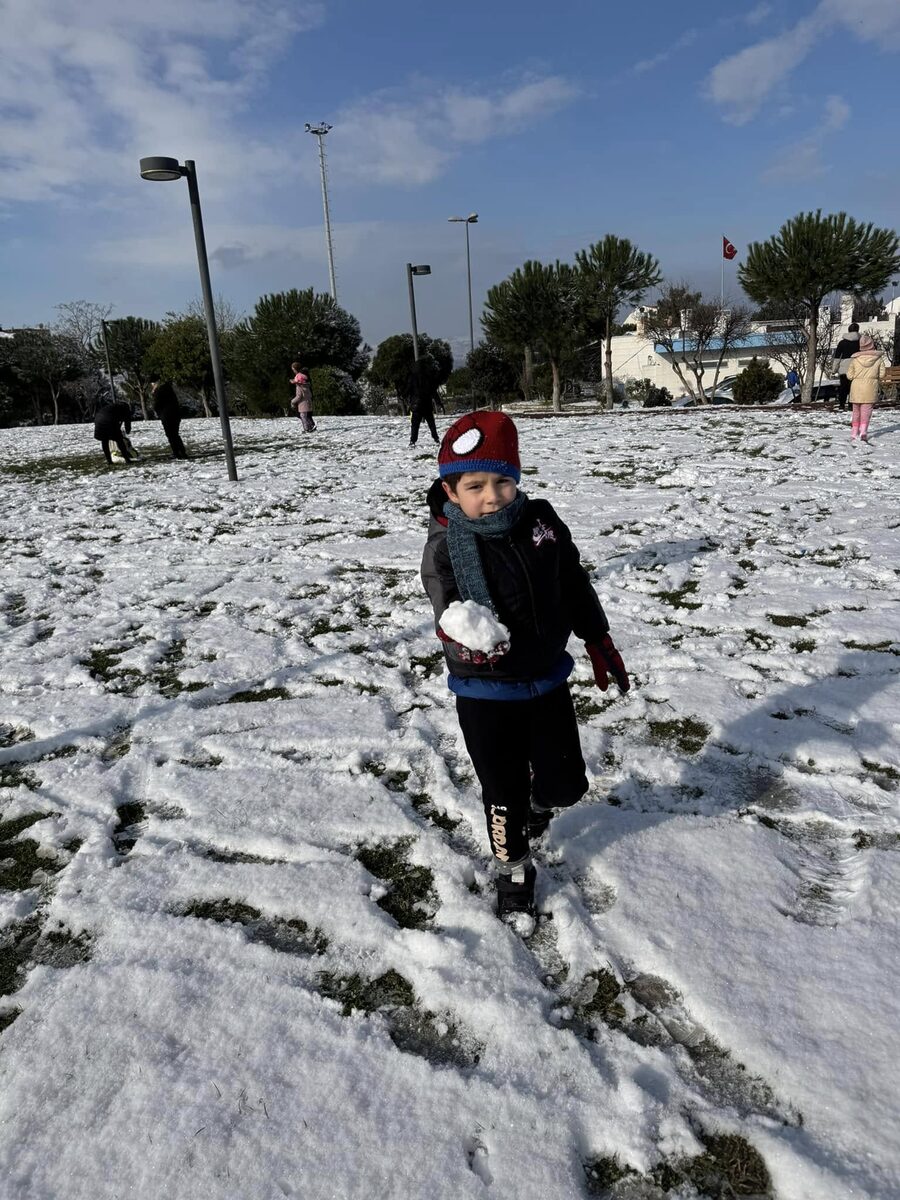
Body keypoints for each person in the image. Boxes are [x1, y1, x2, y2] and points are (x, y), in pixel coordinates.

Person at [420, 411, 630, 921]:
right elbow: (450, 610)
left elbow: (571, 581)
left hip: (546, 680)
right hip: (485, 692)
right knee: (503, 791)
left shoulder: (541, 522)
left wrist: (596, 636)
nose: (491, 496)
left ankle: (539, 807)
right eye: (475, 485)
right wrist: (467, 636)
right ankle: (513, 865)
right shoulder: (447, 548)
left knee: (566, 784)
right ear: (451, 490)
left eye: (503, 482)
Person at [846, 334, 886, 445]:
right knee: (866, 412)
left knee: (856, 412)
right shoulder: (878, 359)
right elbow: (882, 374)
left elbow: (849, 375)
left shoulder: (855, 359)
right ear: (872, 345)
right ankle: (863, 432)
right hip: (870, 388)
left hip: (856, 388)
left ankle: (854, 433)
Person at [149, 378, 188, 459]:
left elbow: (157, 404)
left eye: (152, 384)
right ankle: (182, 452)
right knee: (175, 434)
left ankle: (176, 453)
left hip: (166, 416)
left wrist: (154, 393)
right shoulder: (169, 388)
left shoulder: (159, 391)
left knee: (170, 435)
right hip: (176, 415)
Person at [93, 400, 134, 466]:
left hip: (98, 420)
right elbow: (127, 424)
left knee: (104, 441)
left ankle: (109, 461)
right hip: (109, 421)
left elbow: (117, 420)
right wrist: (127, 431)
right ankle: (127, 460)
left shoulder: (113, 407)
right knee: (119, 440)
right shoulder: (125, 409)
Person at [408, 364, 439, 447]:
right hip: (427, 404)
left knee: (415, 425)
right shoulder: (428, 377)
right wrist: (438, 402)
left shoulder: (412, 377)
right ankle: (436, 438)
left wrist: (410, 401)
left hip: (416, 405)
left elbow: (408, 390)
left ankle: (412, 441)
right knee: (431, 423)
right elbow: (433, 391)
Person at [833, 323, 861, 411]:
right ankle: (851, 404)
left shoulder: (842, 342)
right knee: (854, 387)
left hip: (844, 367)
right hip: (857, 366)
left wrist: (834, 369)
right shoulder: (861, 341)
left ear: (848, 330)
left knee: (843, 387)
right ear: (857, 330)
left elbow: (837, 357)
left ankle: (841, 404)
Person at [290, 362, 316, 432]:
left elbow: (299, 396)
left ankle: (307, 429)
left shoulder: (299, 386)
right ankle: (312, 426)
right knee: (307, 416)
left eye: (293, 369)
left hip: (302, 403)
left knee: (303, 416)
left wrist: (292, 401)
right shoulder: (306, 384)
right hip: (308, 401)